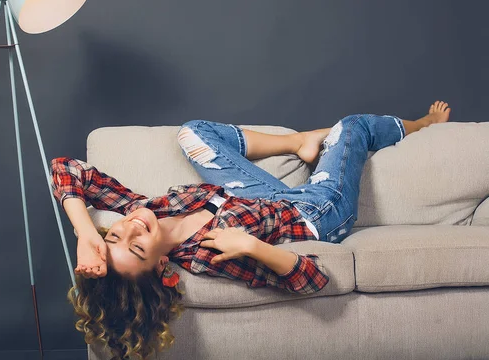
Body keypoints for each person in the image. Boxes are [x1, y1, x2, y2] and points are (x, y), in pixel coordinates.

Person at [50, 101, 451, 360]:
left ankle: (297, 144)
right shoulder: (209, 254)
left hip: (255, 197)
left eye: (115, 236)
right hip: (315, 212)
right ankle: (423, 125)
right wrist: (253, 247)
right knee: (351, 126)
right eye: (136, 249)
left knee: (192, 133)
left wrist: (87, 233)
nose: (131, 230)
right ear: (159, 268)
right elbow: (313, 279)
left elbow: (67, 168)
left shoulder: (144, 211)